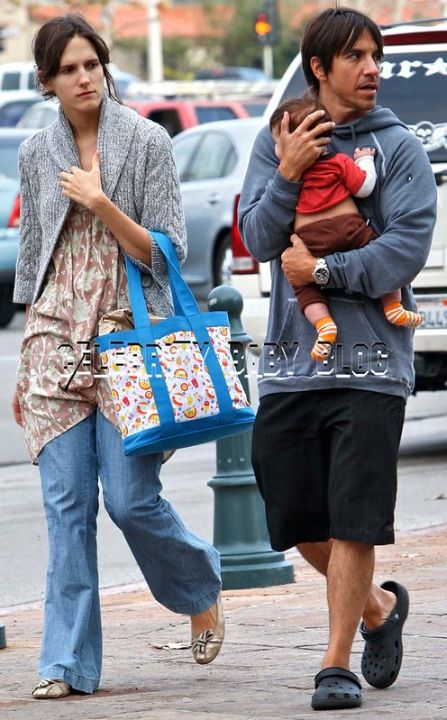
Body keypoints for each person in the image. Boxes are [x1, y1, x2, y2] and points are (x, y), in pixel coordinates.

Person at [12, 13, 224, 700]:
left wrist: (102, 203)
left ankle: (199, 587)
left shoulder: (146, 141)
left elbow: (166, 254)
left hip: (127, 344)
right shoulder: (37, 152)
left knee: (131, 502)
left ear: (104, 68)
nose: (83, 78)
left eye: (91, 64)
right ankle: (64, 662)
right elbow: (34, 268)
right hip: (53, 344)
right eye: (68, 68)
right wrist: (25, 364)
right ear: (46, 80)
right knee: (66, 507)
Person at [238, 6, 436, 712]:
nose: (372, 68)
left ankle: (334, 664)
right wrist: (287, 172)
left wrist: (323, 274)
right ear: (318, 68)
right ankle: (378, 610)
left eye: (374, 54)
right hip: (292, 362)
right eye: (355, 56)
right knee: (291, 516)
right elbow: (259, 237)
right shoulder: (279, 140)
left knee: (355, 516)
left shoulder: (399, 149)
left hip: (374, 364)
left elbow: (404, 247)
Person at [270, 96, 423, 361]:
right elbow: (364, 186)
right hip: (349, 230)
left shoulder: (291, 176)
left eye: (277, 143)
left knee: (304, 286)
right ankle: (393, 306)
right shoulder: (337, 162)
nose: (274, 150)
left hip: (309, 241)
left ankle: (323, 324)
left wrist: (285, 174)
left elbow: (278, 217)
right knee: (375, 249)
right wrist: (364, 160)